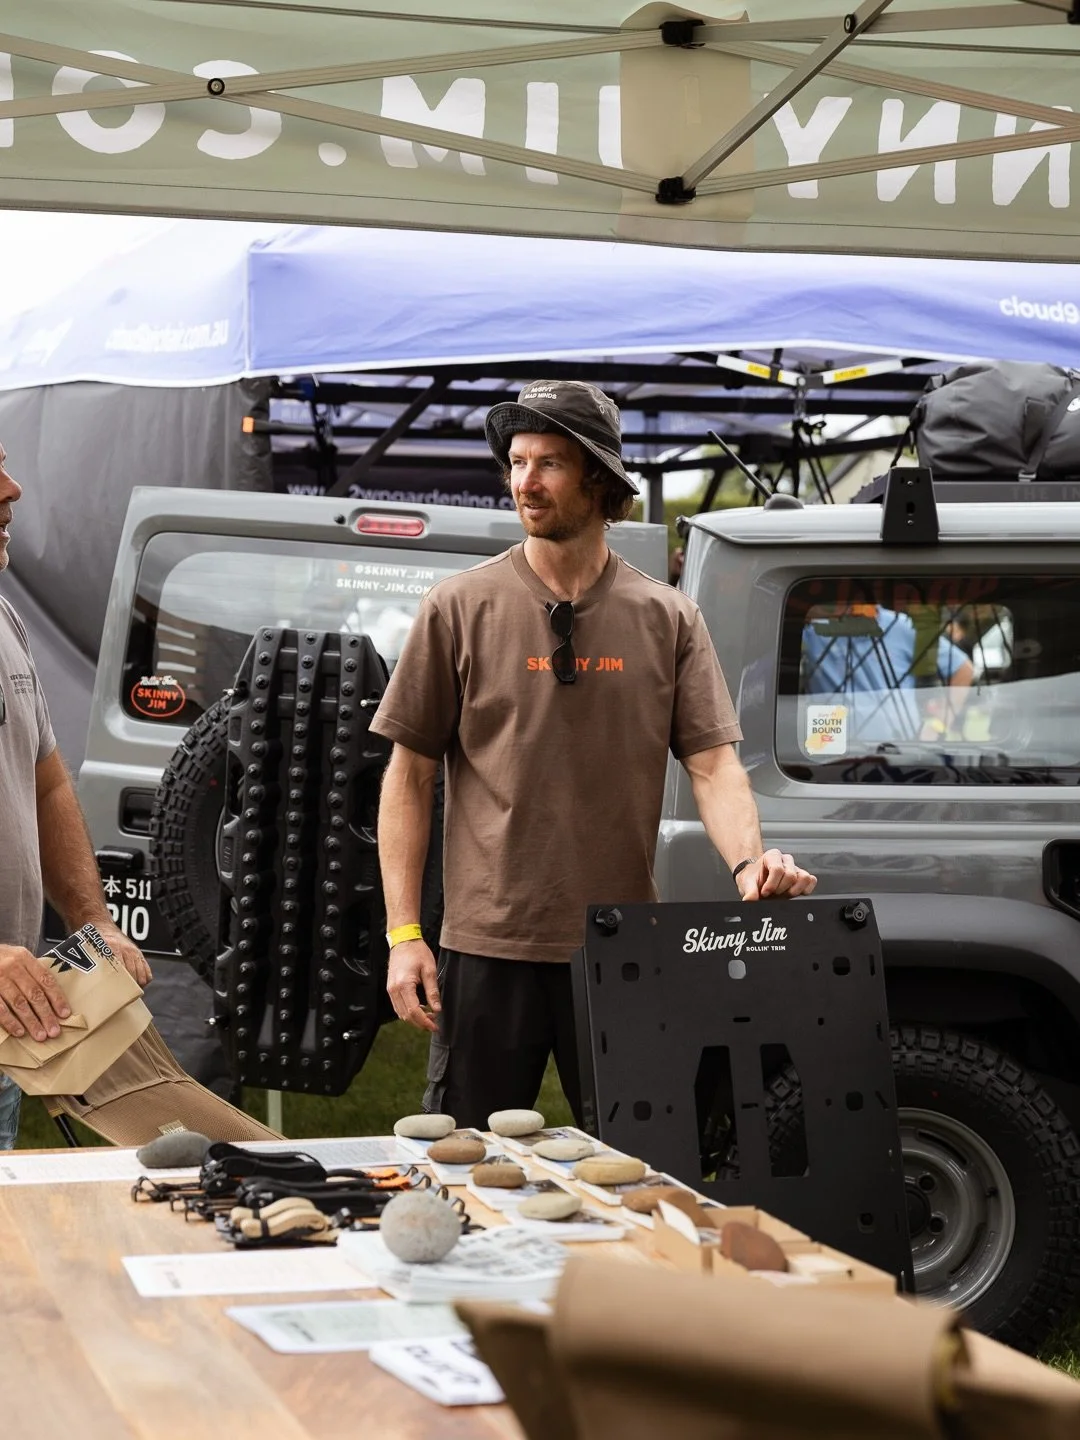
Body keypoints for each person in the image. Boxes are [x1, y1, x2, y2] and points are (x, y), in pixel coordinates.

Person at [370, 380, 817, 1129]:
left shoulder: (667, 617)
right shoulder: (457, 607)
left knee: (639, 1159)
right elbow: (409, 777)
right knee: (473, 1165)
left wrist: (749, 864)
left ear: (598, 480)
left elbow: (712, 764)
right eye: (515, 462)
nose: (524, 482)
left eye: (547, 463)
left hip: (619, 946)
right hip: (488, 944)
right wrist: (404, 935)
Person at [0, 440, 151, 1149]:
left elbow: (48, 782)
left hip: (12, 1015)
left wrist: (94, 925)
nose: (13, 490)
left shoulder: (5, 621)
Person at [801, 603, 974, 745]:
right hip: (830, 744)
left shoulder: (900, 626)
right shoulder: (813, 628)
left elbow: (962, 668)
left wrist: (939, 724)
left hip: (897, 748)